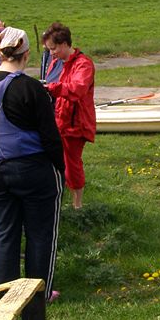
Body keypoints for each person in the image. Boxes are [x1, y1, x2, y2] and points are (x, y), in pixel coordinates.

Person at [0, 27, 65, 302]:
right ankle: (37, 294)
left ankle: (3, 296)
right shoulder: (30, 87)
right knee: (40, 233)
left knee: (4, 233)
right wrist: (61, 169)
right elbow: (50, 135)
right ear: (26, 53)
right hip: (32, 170)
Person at [42, 22, 96, 210]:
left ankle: (77, 205)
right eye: (49, 50)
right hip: (58, 119)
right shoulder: (55, 62)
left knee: (72, 164)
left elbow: (77, 89)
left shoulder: (83, 64)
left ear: (64, 43)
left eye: (54, 48)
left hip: (76, 123)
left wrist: (51, 88)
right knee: (57, 161)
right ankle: (61, 195)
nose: (51, 53)